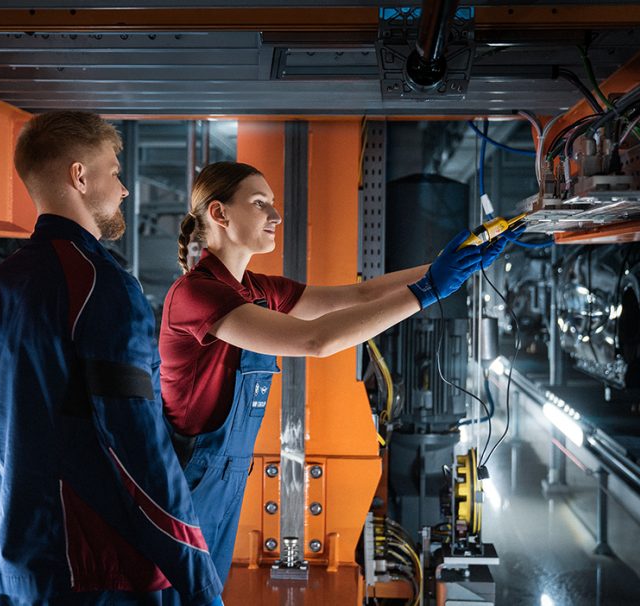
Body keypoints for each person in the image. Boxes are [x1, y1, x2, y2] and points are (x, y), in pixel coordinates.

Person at [156, 161, 519, 583]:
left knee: (204, 593)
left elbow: (359, 294)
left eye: (273, 204)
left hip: (225, 478)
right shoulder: (196, 294)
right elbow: (315, 341)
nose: (275, 217)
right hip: (189, 479)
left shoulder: (256, 289)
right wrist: (429, 291)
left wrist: (451, 264)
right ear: (220, 214)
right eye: (260, 204)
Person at [0, 111, 221, 605]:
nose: (123, 189)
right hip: (95, 569)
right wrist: (201, 583)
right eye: (115, 172)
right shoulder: (102, 285)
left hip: (10, 562)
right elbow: (139, 452)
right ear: (80, 176)